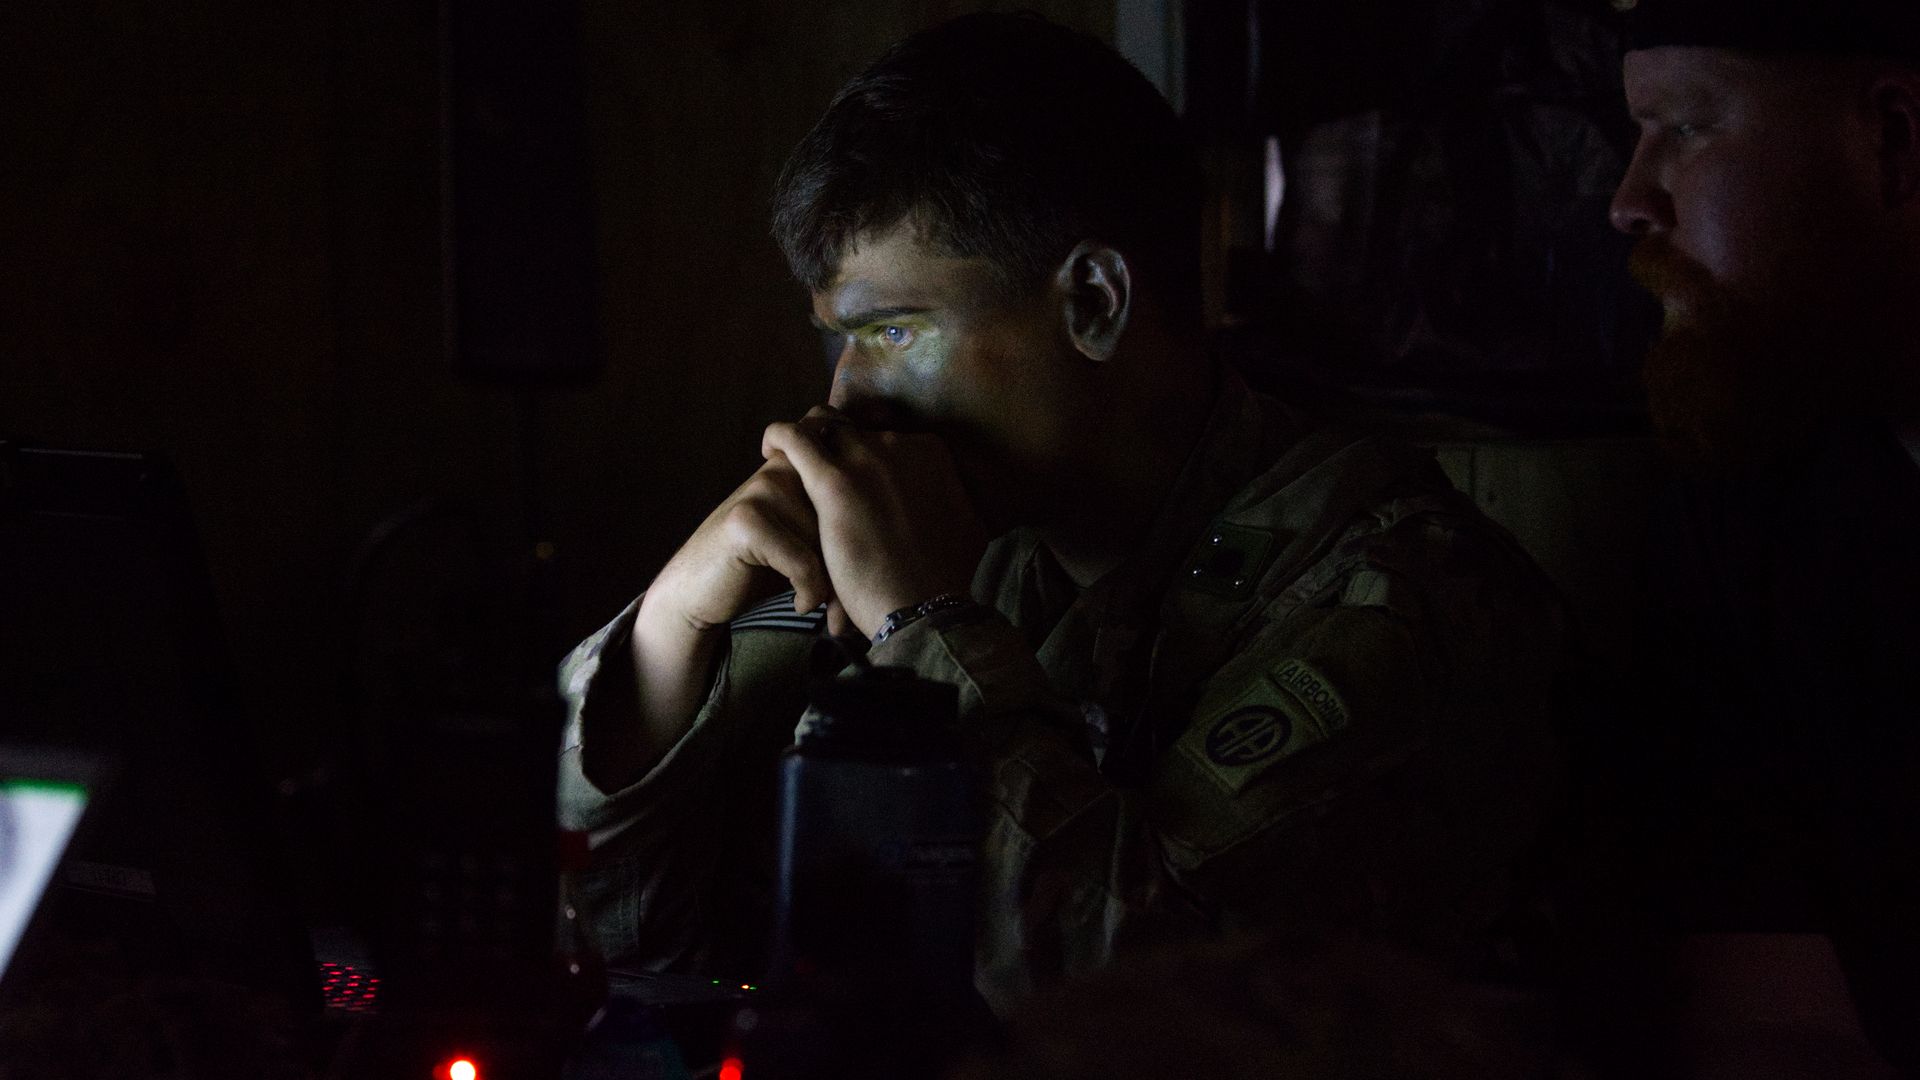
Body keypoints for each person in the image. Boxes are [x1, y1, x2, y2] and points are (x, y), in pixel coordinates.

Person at [556, 12, 1565, 1016]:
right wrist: (668, 635)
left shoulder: (1401, 599)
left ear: (1093, 302)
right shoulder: (979, 549)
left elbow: (1137, 1011)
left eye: (894, 331)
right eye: (839, 341)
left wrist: (926, 628)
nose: (847, 398)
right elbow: (620, 949)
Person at [1599, 0, 1920, 1071]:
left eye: (1686, 128)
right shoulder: (1749, 504)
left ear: (1893, 139)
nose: (1629, 201)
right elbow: (1765, 1006)